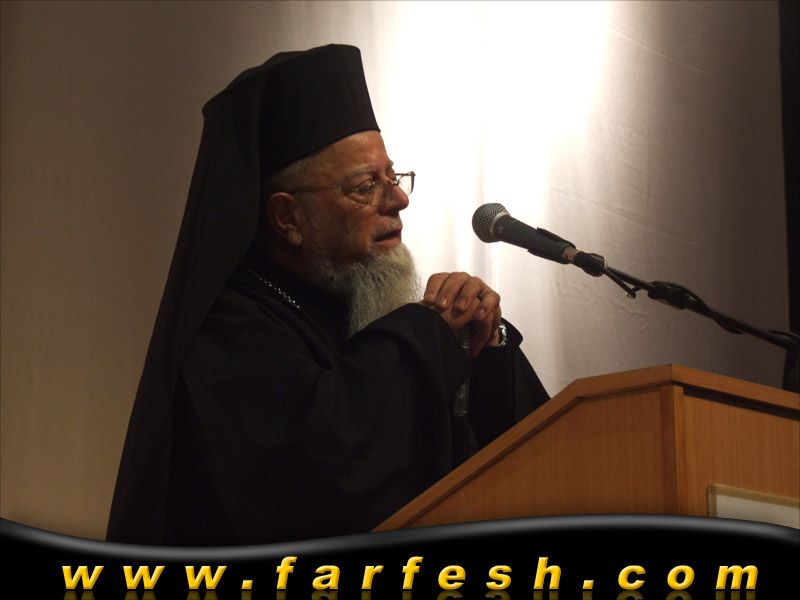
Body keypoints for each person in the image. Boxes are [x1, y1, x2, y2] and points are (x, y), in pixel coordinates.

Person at [107, 44, 548, 546]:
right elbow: (322, 483)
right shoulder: (228, 336)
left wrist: (485, 348)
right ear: (288, 218)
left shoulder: (358, 307)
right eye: (365, 186)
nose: (399, 199)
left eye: (393, 176)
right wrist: (427, 334)